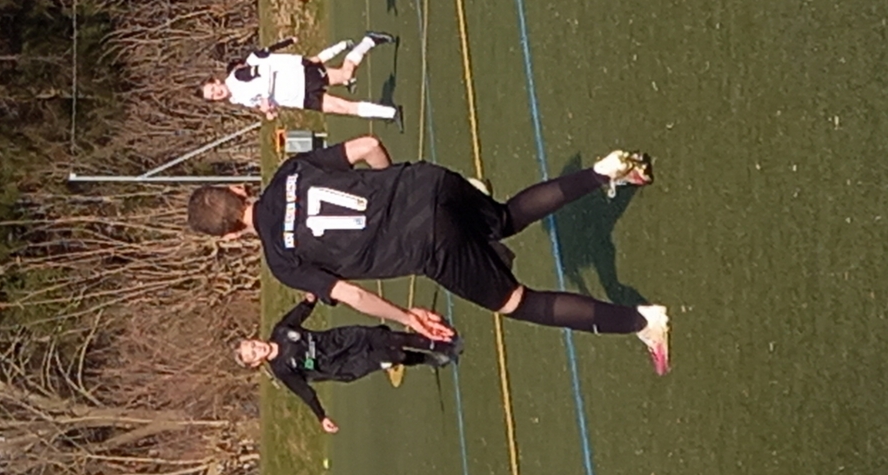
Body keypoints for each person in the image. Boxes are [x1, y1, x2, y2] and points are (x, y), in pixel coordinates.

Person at [186, 137, 671, 373]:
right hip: (427, 182)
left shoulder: (282, 261)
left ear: (229, 237)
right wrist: (397, 186)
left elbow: (351, 295)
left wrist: (406, 317)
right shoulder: (290, 171)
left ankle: (642, 321)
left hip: (427, 242)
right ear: (238, 189)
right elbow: (368, 145)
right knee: (502, 218)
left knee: (516, 302)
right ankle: (605, 171)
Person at [240, 295, 459, 433]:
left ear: (255, 339)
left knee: (392, 339)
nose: (258, 348)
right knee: (396, 356)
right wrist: (321, 417)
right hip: (344, 366)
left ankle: (442, 346)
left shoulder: (281, 331)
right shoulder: (282, 370)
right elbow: (306, 393)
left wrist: (313, 294)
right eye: (253, 353)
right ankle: (426, 359)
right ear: (256, 362)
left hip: (342, 339)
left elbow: (303, 308)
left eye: (253, 345)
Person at [202, 33, 398, 119]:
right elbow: (261, 100)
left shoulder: (237, 77)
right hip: (299, 99)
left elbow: (265, 70)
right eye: (212, 97)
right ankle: (391, 113)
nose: (216, 93)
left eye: (213, 89)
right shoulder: (237, 99)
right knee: (342, 108)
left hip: (301, 78)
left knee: (346, 74)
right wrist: (268, 110)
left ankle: (368, 41)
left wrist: (265, 97)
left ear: (216, 81)